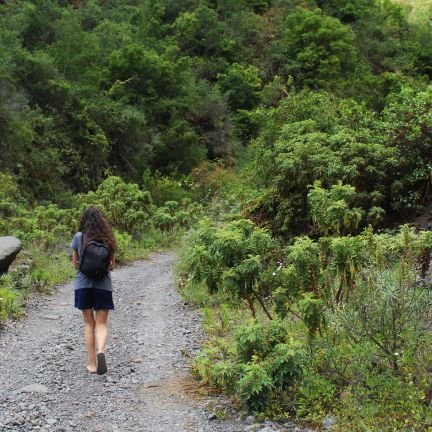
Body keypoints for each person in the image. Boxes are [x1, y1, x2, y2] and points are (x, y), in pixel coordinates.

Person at [70, 206, 116, 375]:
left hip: (83, 285)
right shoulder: (108, 239)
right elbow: (112, 265)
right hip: (103, 286)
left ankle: (92, 364)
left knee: (89, 323)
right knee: (101, 323)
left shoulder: (78, 237)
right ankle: (101, 350)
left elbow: (75, 264)